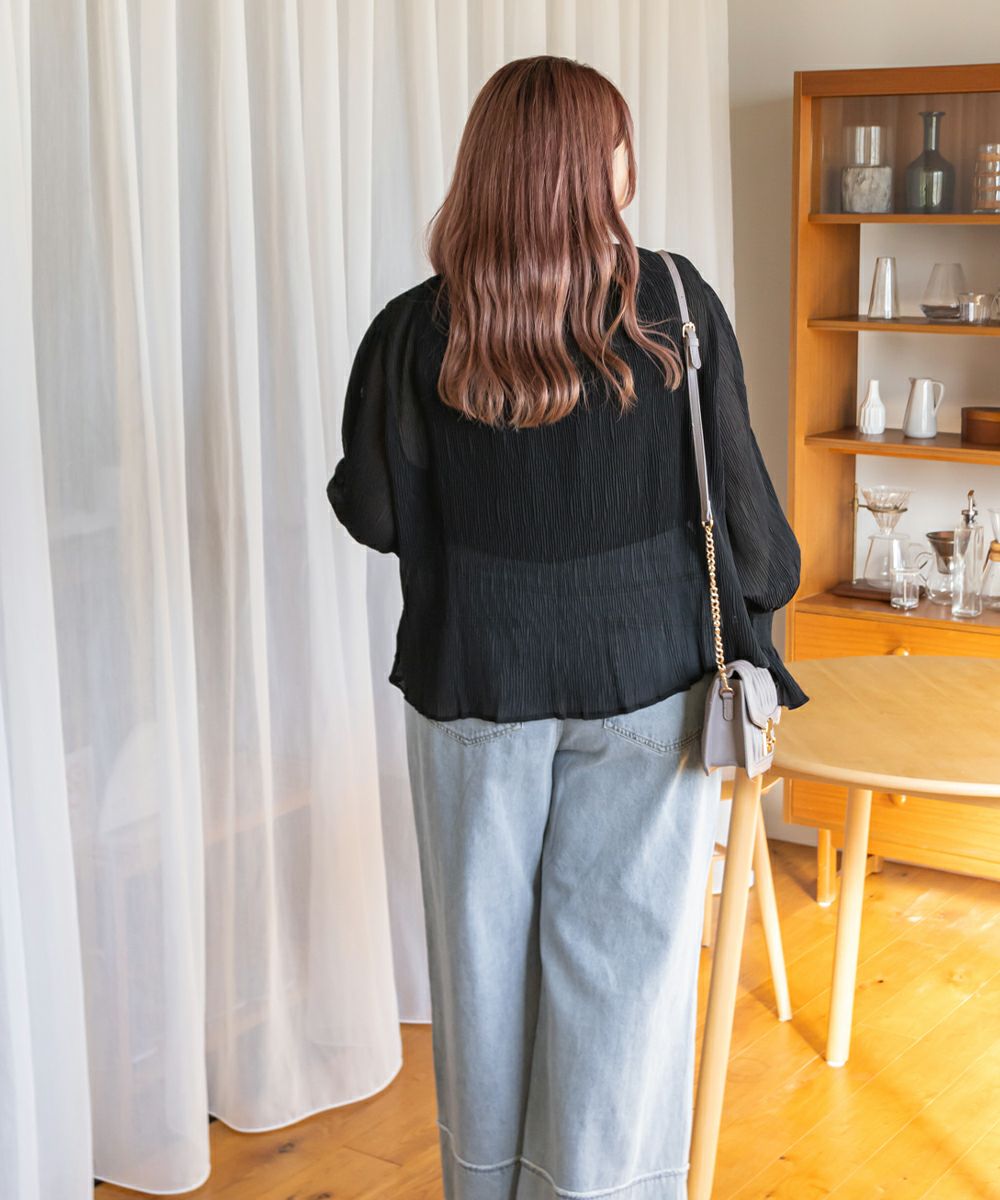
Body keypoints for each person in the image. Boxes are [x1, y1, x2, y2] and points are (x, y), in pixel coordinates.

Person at [327, 53, 806, 1200]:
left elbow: (372, 511)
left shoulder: (416, 330)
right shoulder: (674, 306)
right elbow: (749, 525)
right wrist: (763, 613)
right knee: (623, 977)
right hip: (649, 684)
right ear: (603, 165)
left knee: (481, 976)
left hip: (472, 685)